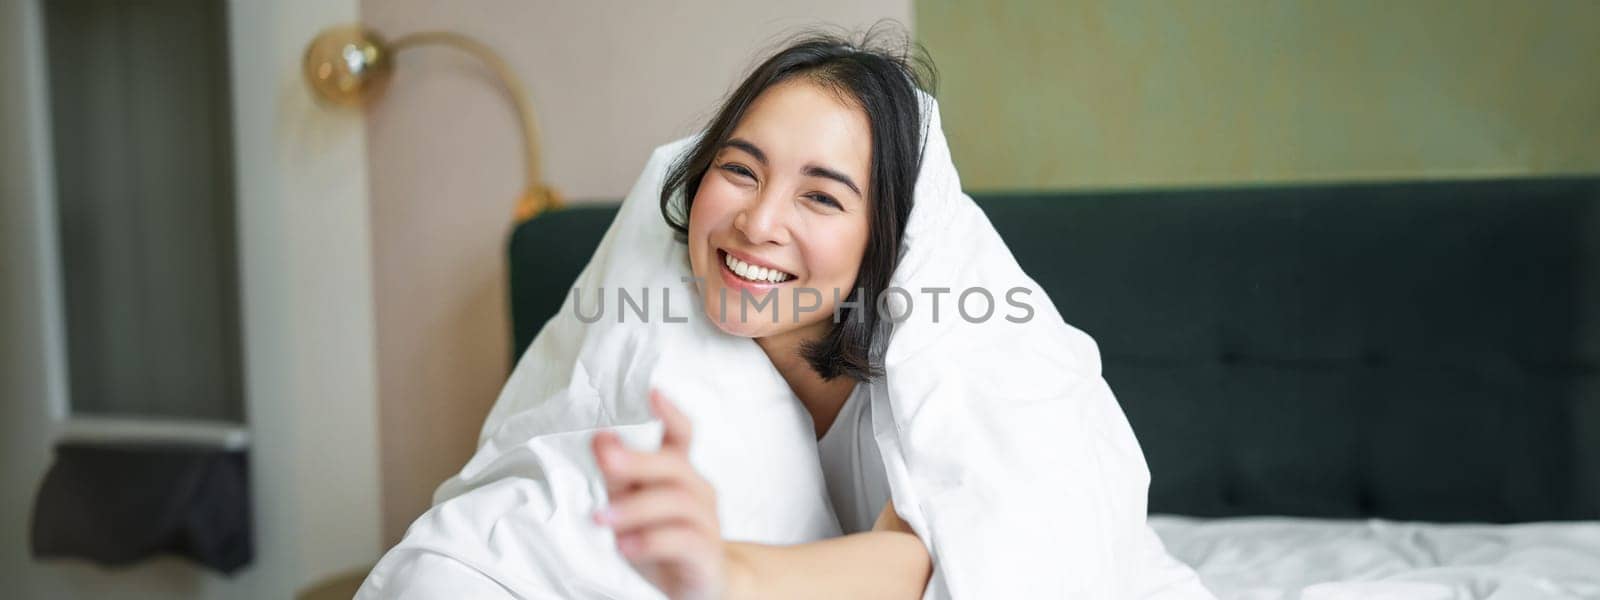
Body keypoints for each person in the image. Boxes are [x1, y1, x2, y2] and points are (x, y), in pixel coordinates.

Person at [358, 26, 1212, 600]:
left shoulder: (976, 355)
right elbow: (544, 501)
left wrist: (723, 571)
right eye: (740, 169)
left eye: (823, 195)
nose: (759, 223)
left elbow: (933, 559)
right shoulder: (664, 324)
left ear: (891, 238)